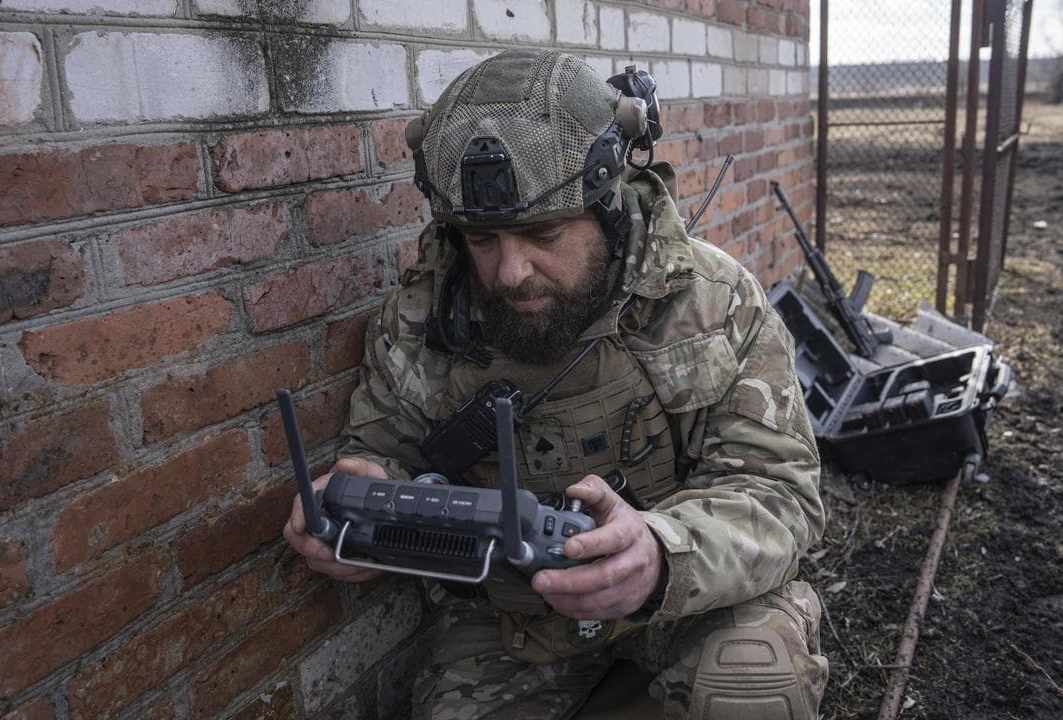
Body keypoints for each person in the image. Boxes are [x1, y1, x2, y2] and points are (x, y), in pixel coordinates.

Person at [284, 48, 828, 720]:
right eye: (482, 240)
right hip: (516, 623)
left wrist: (659, 554)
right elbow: (381, 451)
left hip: (687, 599)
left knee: (752, 687)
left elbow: (783, 496)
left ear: (607, 206)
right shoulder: (425, 317)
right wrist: (352, 503)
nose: (511, 272)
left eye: (542, 233)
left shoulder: (711, 302)